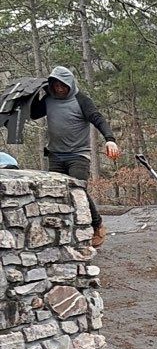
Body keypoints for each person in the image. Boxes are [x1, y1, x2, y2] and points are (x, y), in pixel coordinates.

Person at [28, 65, 119, 244]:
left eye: (63, 86)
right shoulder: (49, 99)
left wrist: (110, 139)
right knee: (54, 193)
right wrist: (33, 96)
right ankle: (63, 232)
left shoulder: (81, 100)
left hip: (78, 154)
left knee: (77, 189)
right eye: (56, 85)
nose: (60, 89)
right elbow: (33, 114)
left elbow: (98, 118)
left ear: (70, 84)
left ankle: (97, 224)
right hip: (55, 154)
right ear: (51, 85)